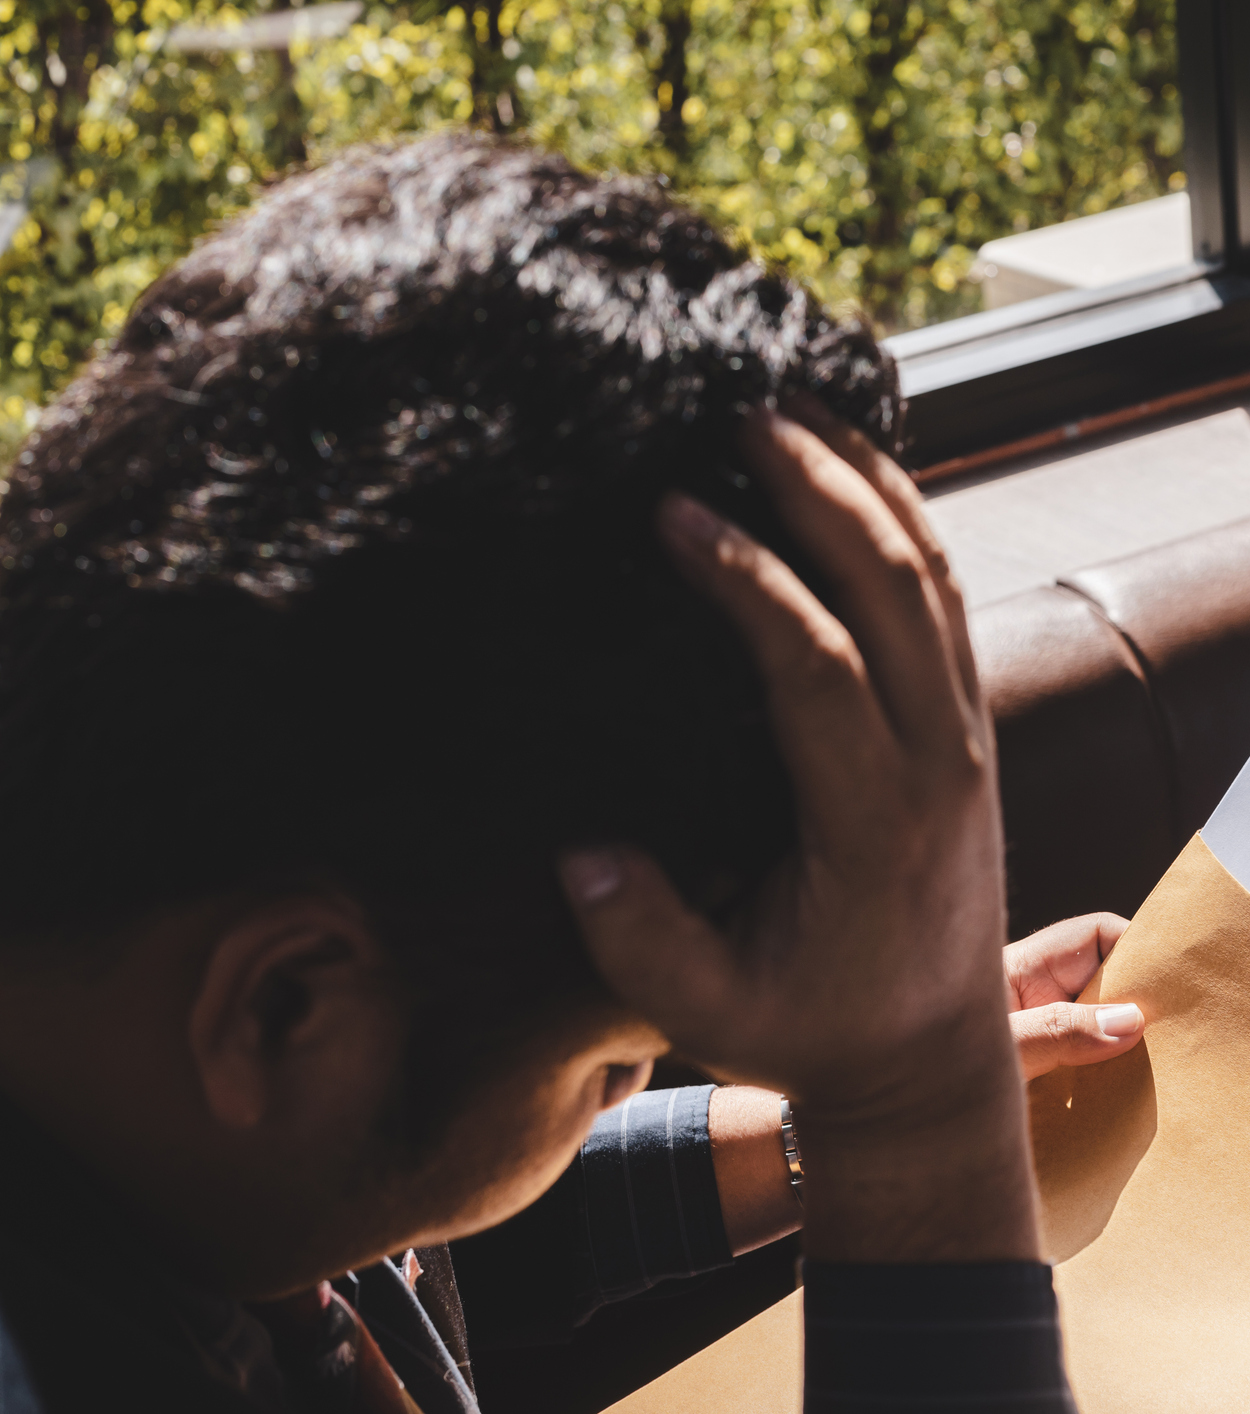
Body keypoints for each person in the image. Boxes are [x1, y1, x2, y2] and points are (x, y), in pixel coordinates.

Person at [0, 133, 1145, 1412]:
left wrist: (818, 1121)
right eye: (617, 1060)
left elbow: (380, 1227)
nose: (632, 1086)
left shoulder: (127, 1060)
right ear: (277, 1011)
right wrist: (918, 1128)